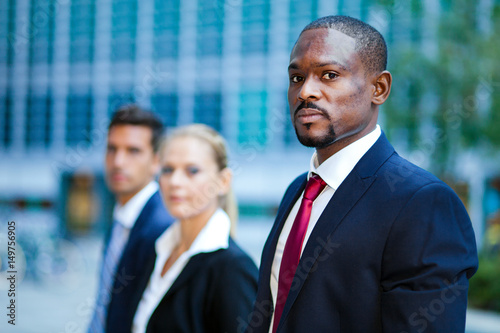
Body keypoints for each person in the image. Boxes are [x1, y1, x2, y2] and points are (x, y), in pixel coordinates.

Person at [245, 15, 478, 333]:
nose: (305, 92)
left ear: (378, 88)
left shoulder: (421, 202)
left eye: (328, 75)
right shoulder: (297, 192)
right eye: (297, 78)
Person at [131, 124, 259, 333]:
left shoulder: (232, 269)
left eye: (192, 171)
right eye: (167, 170)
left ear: (223, 181)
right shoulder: (156, 250)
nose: (175, 182)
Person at [88, 105, 174, 333]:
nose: (118, 161)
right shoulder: (119, 217)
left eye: (133, 151)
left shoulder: (163, 226)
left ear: (156, 161)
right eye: (111, 149)